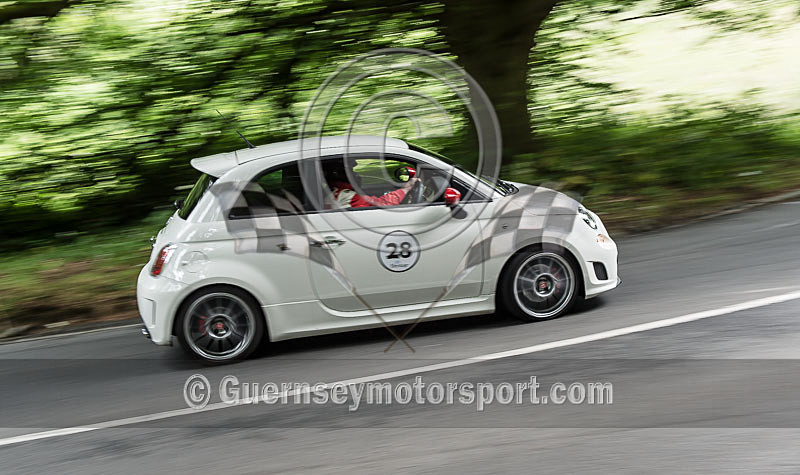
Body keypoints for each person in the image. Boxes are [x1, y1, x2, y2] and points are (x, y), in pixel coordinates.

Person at [323, 159, 420, 209]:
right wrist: (407, 188)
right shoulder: (348, 196)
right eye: (350, 170)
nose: (356, 174)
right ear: (337, 173)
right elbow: (383, 204)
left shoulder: (332, 191)